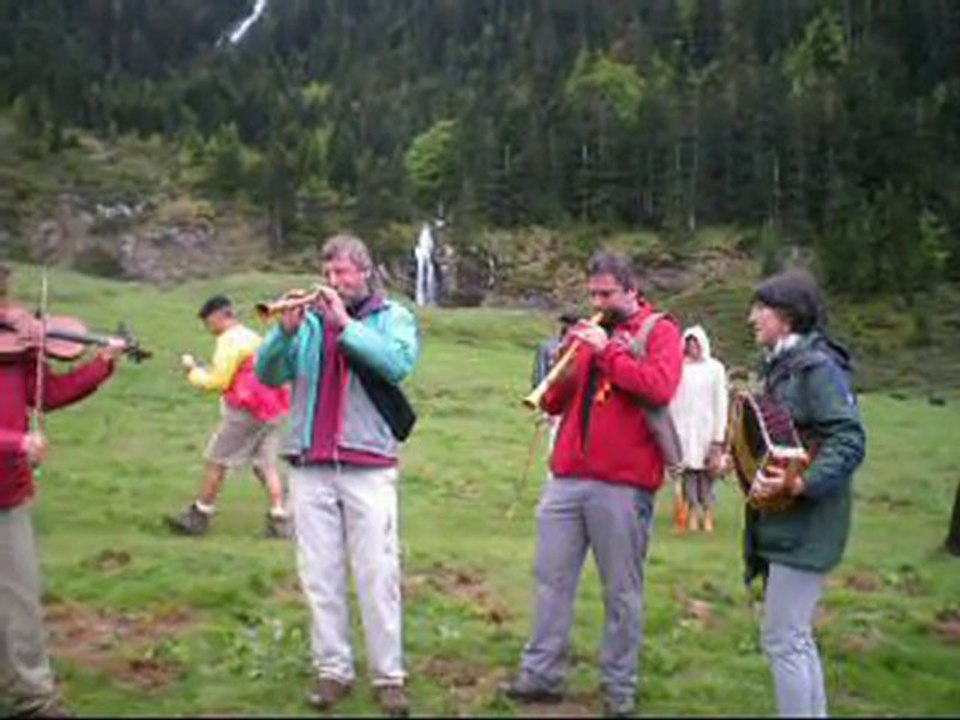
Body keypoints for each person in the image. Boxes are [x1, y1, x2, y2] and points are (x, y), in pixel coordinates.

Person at [503, 250, 683, 718]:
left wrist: (610, 352)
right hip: (566, 478)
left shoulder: (659, 331)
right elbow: (557, 403)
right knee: (550, 582)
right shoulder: (589, 332)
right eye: (593, 294)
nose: (598, 302)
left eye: (607, 294)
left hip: (623, 485)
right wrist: (567, 362)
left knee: (621, 591)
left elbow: (660, 387)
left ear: (630, 289)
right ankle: (541, 676)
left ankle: (618, 687)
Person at [254, 234, 419, 718]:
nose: (332, 282)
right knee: (319, 574)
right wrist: (283, 333)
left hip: (368, 464)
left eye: (342, 273)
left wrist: (344, 324)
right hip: (311, 464)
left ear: (365, 272)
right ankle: (333, 670)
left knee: (377, 573)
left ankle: (389, 676)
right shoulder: (304, 324)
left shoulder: (394, 317)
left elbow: (397, 364)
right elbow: (266, 375)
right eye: (327, 274)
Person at [0, 263, 127, 718]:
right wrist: (17, 442)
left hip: (7, 494)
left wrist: (102, 362)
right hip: (10, 463)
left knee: (19, 601)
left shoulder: (18, 343)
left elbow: (49, 394)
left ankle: (30, 699)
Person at [743, 269, 866, 717]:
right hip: (786, 525)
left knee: (784, 639)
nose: (752, 317)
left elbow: (849, 439)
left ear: (788, 318)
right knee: (795, 636)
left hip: (808, 525)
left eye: (762, 309)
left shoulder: (817, 371)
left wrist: (803, 483)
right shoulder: (781, 368)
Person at [165, 295, 292, 539]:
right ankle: (279, 518)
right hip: (273, 408)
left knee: (217, 459)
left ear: (218, 316)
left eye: (207, 322)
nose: (208, 327)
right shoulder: (251, 336)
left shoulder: (229, 341)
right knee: (265, 464)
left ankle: (198, 516)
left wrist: (192, 371)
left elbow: (218, 381)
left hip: (246, 410)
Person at [668, 325, 728, 533]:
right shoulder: (679, 368)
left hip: (706, 428)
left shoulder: (715, 368)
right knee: (688, 474)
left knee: (707, 474)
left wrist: (718, 437)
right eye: (689, 344)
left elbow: (721, 402)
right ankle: (691, 512)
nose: (692, 348)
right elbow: (673, 400)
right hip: (683, 430)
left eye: (696, 344)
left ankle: (708, 513)